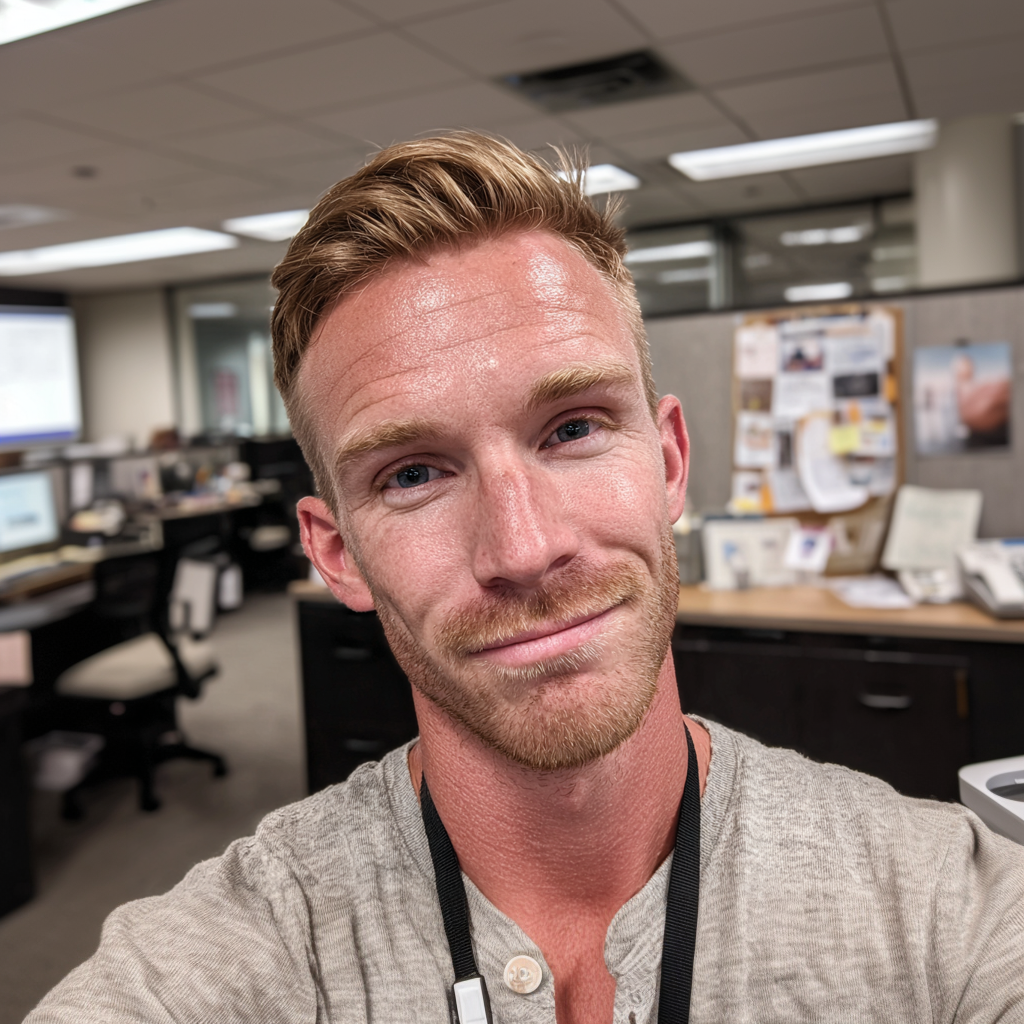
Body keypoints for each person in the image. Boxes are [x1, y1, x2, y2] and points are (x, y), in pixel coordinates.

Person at [27, 133, 1024, 1024]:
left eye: (574, 428)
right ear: (337, 553)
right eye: (411, 474)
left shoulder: (940, 905)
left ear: (670, 461)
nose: (523, 547)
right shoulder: (240, 955)